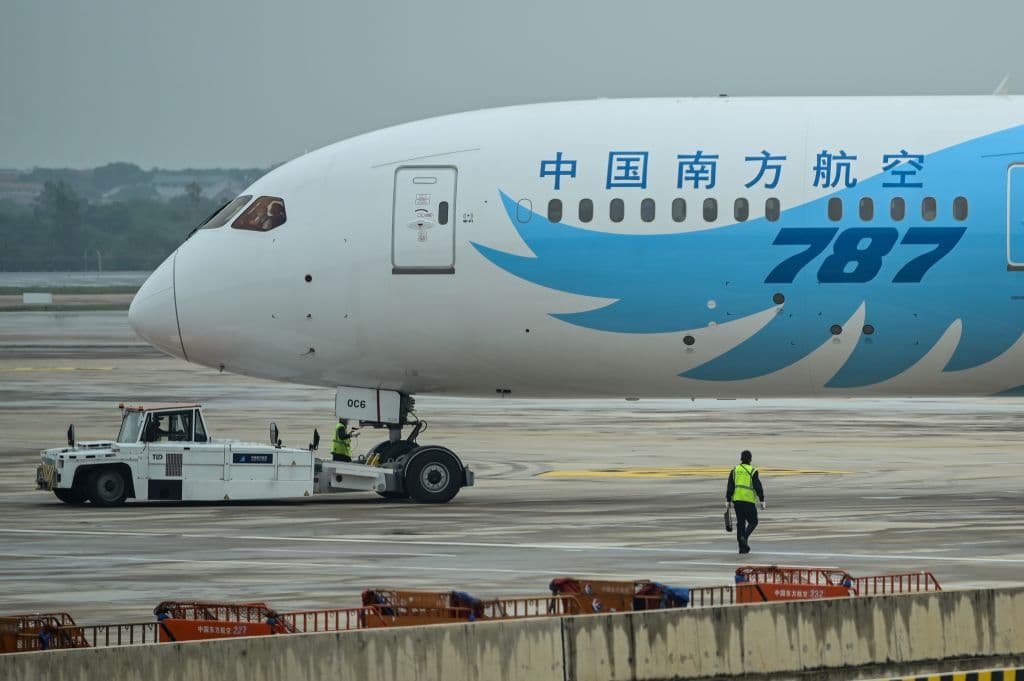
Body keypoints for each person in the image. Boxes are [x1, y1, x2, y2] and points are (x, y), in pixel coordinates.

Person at [725, 450, 766, 554]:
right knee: (753, 522)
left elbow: (730, 486)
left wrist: (728, 499)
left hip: (737, 501)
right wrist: (762, 499)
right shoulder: (753, 470)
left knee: (741, 523)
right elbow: (757, 486)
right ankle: (744, 537)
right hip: (748, 500)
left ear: (741, 458)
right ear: (750, 459)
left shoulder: (735, 470)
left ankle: (742, 548)